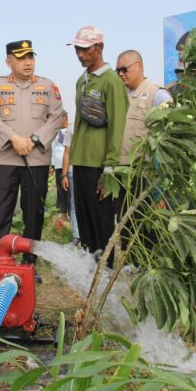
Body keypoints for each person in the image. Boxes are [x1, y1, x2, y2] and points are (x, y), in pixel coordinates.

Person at [0, 40, 64, 265]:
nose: (28, 63)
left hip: (36, 160)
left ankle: (30, 261)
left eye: (31, 57)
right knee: (0, 212)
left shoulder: (47, 86)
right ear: (9, 61)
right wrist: (13, 138)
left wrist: (34, 140)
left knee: (34, 213)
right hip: (6, 159)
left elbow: (56, 117)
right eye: (21, 58)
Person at [67, 26, 129, 255]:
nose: (81, 55)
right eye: (77, 49)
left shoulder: (111, 81)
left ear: (99, 47)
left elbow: (117, 126)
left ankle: (106, 267)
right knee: (84, 220)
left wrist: (110, 168)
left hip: (99, 164)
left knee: (101, 219)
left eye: (85, 49)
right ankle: (90, 265)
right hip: (81, 160)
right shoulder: (81, 81)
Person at [114, 50, 172, 255]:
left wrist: (161, 183)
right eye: (117, 70)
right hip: (122, 172)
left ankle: (150, 260)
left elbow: (168, 136)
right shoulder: (120, 95)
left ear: (139, 66)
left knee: (147, 221)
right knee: (125, 219)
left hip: (145, 172)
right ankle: (131, 262)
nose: (120, 74)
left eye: (124, 69)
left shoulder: (157, 94)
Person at [51, 112, 71, 227]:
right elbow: (53, 149)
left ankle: (69, 212)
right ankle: (63, 213)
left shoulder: (70, 131)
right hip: (58, 164)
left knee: (68, 190)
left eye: (61, 118)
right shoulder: (55, 133)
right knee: (60, 190)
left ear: (65, 118)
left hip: (66, 165)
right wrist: (52, 165)